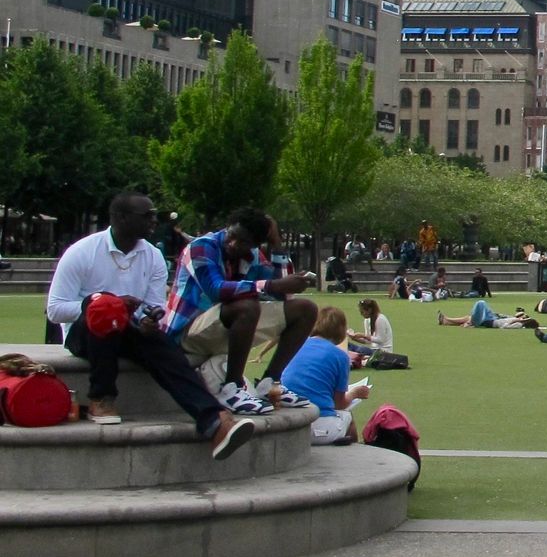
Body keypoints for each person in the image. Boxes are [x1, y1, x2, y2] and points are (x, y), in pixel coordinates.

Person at [46, 192, 255, 460]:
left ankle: (215, 421)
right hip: (85, 332)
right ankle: (101, 397)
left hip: (127, 329)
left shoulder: (153, 255)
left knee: (163, 348)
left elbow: (153, 305)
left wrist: (148, 319)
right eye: (147, 216)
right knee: (105, 309)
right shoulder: (82, 252)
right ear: (120, 218)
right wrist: (106, 305)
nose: (154, 221)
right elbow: (55, 309)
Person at [164, 208, 318, 417]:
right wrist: (272, 285)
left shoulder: (251, 255)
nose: (234, 244)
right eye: (232, 235)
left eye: (244, 241)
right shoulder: (201, 247)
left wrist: (276, 245)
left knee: (305, 310)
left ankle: (270, 382)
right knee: (247, 306)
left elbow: (282, 296)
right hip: (187, 333)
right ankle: (232, 388)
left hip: (223, 325)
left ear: (255, 244)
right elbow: (216, 289)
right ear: (227, 227)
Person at [279, 306, 371, 445]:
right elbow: (338, 404)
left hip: (289, 420)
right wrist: (354, 394)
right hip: (316, 423)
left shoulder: (296, 345)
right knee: (348, 418)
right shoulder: (340, 356)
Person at [347, 298, 393, 362]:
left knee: (361, 349)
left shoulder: (380, 319)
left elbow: (381, 340)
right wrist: (354, 337)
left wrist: (363, 335)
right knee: (347, 345)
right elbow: (368, 341)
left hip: (383, 352)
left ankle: (358, 357)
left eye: (362, 311)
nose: (361, 314)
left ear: (370, 310)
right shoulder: (367, 320)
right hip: (373, 350)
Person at [437, 299, 532, 329]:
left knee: (481, 303)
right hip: (490, 318)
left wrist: (518, 320)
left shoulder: (518, 324)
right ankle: (446, 321)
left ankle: (447, 320)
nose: (522, 317)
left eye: (524, 317)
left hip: (489, 321)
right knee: (469, 317)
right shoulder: (514, 318)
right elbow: (516, 315)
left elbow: (505, 326)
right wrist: (518, 317)